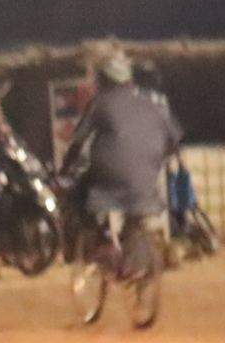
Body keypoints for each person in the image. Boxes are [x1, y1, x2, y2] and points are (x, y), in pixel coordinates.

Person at [66, 50, 182, 275]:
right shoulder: (152, 103)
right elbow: (175, 139)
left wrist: (65, 167)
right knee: (136, 210)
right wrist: (157, 161)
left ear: (104, 80)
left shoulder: (101, 102)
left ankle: (104, 240)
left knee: (82, 191)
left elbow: (78, 141)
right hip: (148, 174)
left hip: (109, 173)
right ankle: (134, 256)